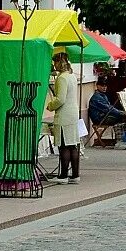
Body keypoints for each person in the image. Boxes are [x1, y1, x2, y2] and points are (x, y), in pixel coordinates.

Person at [47, 52, 81, 181]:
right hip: (73, 112)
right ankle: (75, 175)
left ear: (58, 63)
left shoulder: (62, 78)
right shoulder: (71, 76)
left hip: (64, 114)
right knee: (72, 144)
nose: (54, 65)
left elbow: (60, 99)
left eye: (55, 62)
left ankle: (63, 175)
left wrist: (50, 106)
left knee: (64, 145)